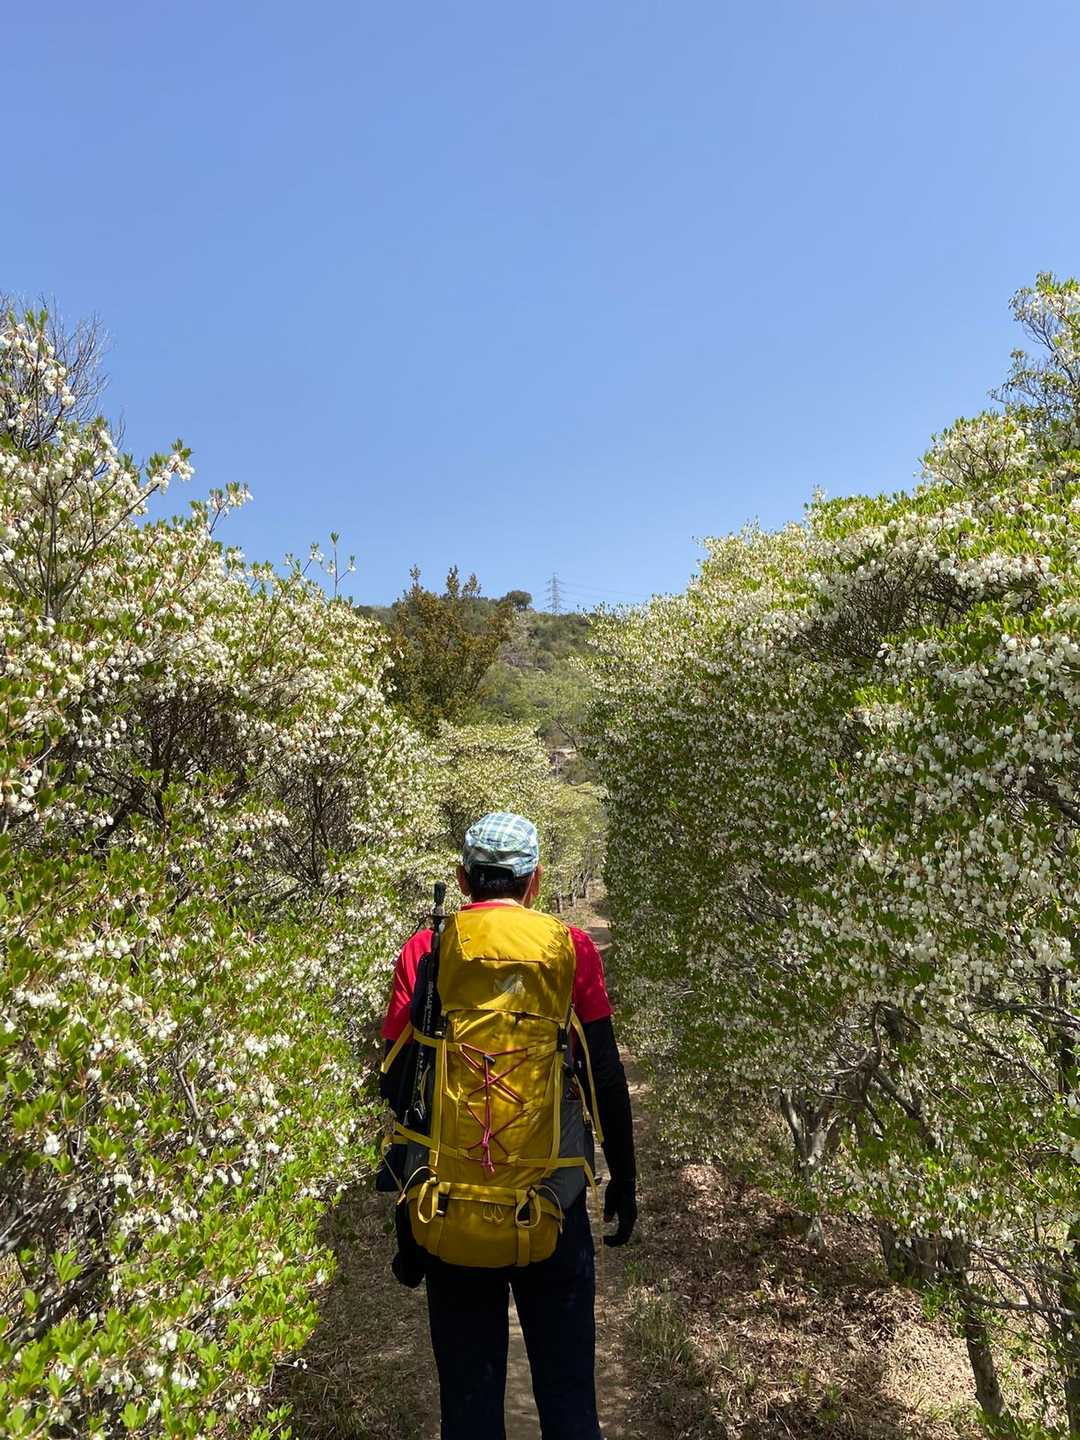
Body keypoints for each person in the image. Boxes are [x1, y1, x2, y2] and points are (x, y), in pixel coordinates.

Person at [380, 812, 637, 1440]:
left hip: (451, 1205)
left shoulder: (426, 949)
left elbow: (395, 1082)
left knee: (468, 1411)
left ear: (463, 879)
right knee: (569, 1401)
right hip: (554, 1200)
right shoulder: (570, 948)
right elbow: (604, 1074)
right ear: (535, 880)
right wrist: (624, 1178)